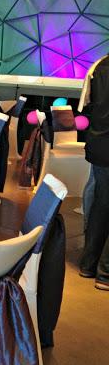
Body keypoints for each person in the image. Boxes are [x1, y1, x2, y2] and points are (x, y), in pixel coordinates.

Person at [78, 53, 109, 290]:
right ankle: (105, 273)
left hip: (99, 144)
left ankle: (89, 264)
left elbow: (86, 105)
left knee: (101, 203)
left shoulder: (99, 65)